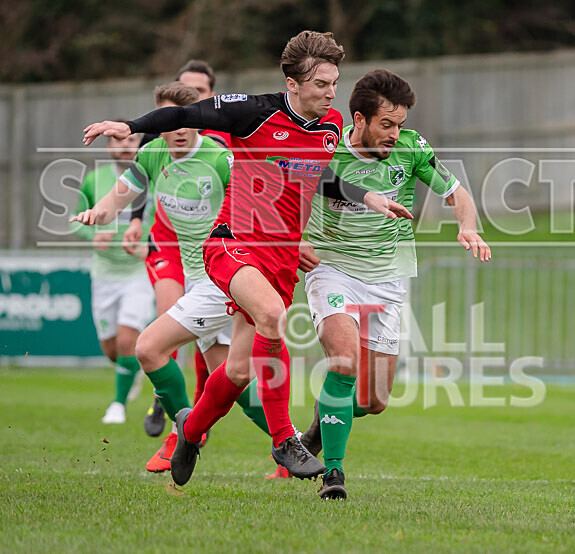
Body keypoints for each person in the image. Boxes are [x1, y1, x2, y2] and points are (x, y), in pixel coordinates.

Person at [81, 31, 412, 485]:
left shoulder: (332, 125)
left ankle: (190, 429)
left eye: (334, 83)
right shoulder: (252, 112)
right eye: (321, 84)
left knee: (238, 369)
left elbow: (320, 177)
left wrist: (366, 195)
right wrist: (132, 127)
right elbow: (186, 112)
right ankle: (285, 439)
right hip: (232, 242)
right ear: (293, 83)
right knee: (272, 315)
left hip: (279, 258)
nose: (330, 92)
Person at [298, 69, 491, 499]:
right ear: (359, 119)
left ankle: (319, 425)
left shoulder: (411, 148)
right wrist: (295, 239)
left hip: (387, 277)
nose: (394, 134)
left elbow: (457, 193)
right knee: (344, 362)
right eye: (386, 124)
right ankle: (333, 475)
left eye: (399, 124)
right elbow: (291, 188)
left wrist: (468, 226)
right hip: (333, 268)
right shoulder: (326, 148)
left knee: (374, 401)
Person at [73, 82, 271, 473]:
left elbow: (256, 203)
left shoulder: (219, 157)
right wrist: (97, 214)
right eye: (171, 121)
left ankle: (185, 434)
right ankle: (292, 441)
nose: (179, 129)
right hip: (197, 278)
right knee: (230, 380)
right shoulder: (151, 155)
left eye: (185, 120)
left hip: (222, 277)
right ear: (159, 123)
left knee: (149, 348)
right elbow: (118, 198)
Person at [128, 59, 228, 439]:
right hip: (168, 245)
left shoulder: (223, 142)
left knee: (215, 354)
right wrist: (133, 220)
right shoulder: (157, 140)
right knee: (165, 323)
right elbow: (137, 180)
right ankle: (169, 400)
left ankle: (194, 413)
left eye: (197, 93)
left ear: (209, 98)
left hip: (214, 257)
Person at [70, 126, 154, 424]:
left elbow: (166, 218)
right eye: (120, 141)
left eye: (132, 140)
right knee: (111, 348)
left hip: (139, 271)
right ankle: (132, 369)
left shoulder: (152, 175)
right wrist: (92, 235)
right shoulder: (95, 179)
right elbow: (75, 219)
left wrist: (150, 244)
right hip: (104, 273)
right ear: (109, 146)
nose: (126, 146)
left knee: (127, 339)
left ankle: (117, 406)